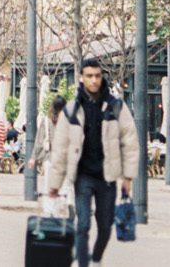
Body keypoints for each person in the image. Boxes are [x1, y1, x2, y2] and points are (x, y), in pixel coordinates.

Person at [46, 59, 139, 267]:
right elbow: (60, 148)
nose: (94, 80)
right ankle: (82, 265)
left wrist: (128, 176)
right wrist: (54, 183)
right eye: (89, 76)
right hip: (83, 175)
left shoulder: (116, 107)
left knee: (106, 226)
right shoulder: (71, 110)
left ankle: (96, 259)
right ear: (81, 78)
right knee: (83, 224)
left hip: (107, 175)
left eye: (97, 76)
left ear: (101, 77)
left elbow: (130, 141)